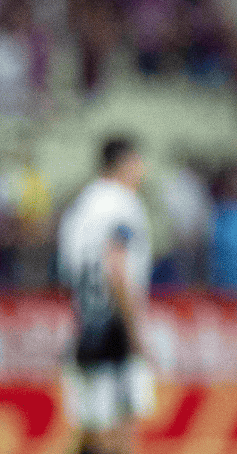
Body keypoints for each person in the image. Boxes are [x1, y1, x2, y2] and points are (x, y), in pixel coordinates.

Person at [57, 137, 155, 454]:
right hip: (115, 326)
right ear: (125, 163)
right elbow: (116, 265)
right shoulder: (123, 203)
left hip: (84, 323)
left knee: (91, 428)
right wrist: (134, 330)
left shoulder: (79, 207)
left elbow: (67, 270)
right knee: (120, 427)